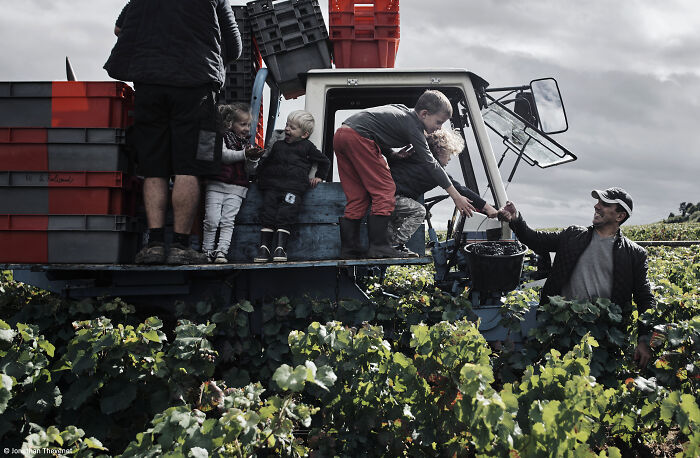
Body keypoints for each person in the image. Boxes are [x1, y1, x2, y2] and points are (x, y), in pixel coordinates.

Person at [104, 0, 242, 265]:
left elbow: (119, 29)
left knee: (153, 165)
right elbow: (234, 47)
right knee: (188, 167)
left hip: (149, 81)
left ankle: (154, 245)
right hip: (196, 84)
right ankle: (180, 247)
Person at [498, 187, 655, 367]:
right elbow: (536, 239)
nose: (597, 206)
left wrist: (644, 339)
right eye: (598, 202)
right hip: (561, 327)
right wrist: (516, 218)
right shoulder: (573, 235)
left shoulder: (634, 254)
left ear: (619, 216)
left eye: (604, 204)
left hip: (602, 335)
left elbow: (645, 299)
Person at [333, 90, 476, 259]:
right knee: (385, 191)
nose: (439, 128)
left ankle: (349, 250)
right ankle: (379, 247)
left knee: (358, 197)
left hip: (342, 135)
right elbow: (431, 164)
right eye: (439, 122)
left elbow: (373, 131)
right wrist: (455, 196)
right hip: (359, 139)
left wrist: (391, 154)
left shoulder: (401, 111)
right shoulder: (414, 126)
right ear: (424, 114)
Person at [387, 128, 499, 256]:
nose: (450, 159)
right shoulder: (433, 169)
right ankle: (396, 245)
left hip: (384, 198)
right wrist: (487, 208)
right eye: (449, 154)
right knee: (419, 211)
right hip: (391, 197)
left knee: (399, 217)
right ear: (439, 150)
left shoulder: (415, 158)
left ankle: (387, 246)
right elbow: (459, 188)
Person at [253, 110, 330, 263]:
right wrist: (256, 176)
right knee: (268, 215)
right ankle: (264, 249)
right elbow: (266, 162)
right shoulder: (277, 145)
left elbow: (325, 161)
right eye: (287, 125)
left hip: (293, 189)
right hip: (272, 187)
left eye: (292, 127)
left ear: (304, 134)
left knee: (286, 215)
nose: (287, 129)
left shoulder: (307, 147)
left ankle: (280, 248)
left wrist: (319, 177)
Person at [202, 103, 263, 263]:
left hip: (237, 189)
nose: (246, 128)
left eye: (248, 125)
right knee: (212, 219)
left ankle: (222, 251)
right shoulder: (222, 137)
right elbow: (224, 156)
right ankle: (207, 251)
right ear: (230, 123)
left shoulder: (247, 145)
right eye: (242, 124)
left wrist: (253, 158)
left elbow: (250, 169)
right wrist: (244, 154)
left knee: (228, 221)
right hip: (216, 185)